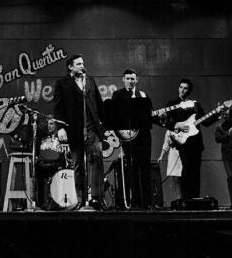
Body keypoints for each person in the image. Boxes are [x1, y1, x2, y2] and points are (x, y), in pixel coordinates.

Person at [53, 53, 106, 210]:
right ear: (70, 66)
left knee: (97, 159)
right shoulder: (62, 83)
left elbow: (99, 103)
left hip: (92, 128)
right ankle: (81, 200)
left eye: (83, 63)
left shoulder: (89, 80)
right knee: (78, 165)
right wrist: (60, 128)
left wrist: (104, 126)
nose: (82, 66)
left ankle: (97, 198)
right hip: (74, 129)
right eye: (78, 64)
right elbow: (58, 106)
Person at [161, 78, 217, 199]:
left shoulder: (196, 105)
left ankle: (195, 200)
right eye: (181, 87)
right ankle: (186, 200)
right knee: (186, 171)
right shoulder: (172, 103)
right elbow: (165, 122)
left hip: (196, 142)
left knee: (196, 172)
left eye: (185, 88)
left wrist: (217, 114)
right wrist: (176, 126)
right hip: (183, 143)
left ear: (189, 91)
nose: (182, 90)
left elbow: (206, 122)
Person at [111, 69, 154, 209]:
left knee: (145, 168)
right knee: (132, 168)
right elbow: (115, 118)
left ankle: (147, 202)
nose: (130, 81)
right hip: (129, 138)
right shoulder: (117, 95)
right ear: (123, 79)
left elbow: (151, 115)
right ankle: (134, 201)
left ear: (137, 80)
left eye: (132, 78)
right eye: (128, 78)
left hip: (144, 136)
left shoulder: (143, 95)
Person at [36, 116, 69, 209]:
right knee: (38, 172)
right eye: (48, 124)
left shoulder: (61, 135)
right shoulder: (43, 136)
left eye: (51, 124)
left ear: (57, 125)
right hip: (43, 164)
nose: (48, 126)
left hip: (57, 164)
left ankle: (56, 202)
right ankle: (41, 203)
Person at [157, 129, 183, 201]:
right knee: (175, 179)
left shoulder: (182, 129)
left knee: (182, 176)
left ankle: (184, 198)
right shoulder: (169, 131)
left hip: (181, 152)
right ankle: (178, 198)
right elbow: (166, 144)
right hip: (172, 153)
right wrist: (161, 156)